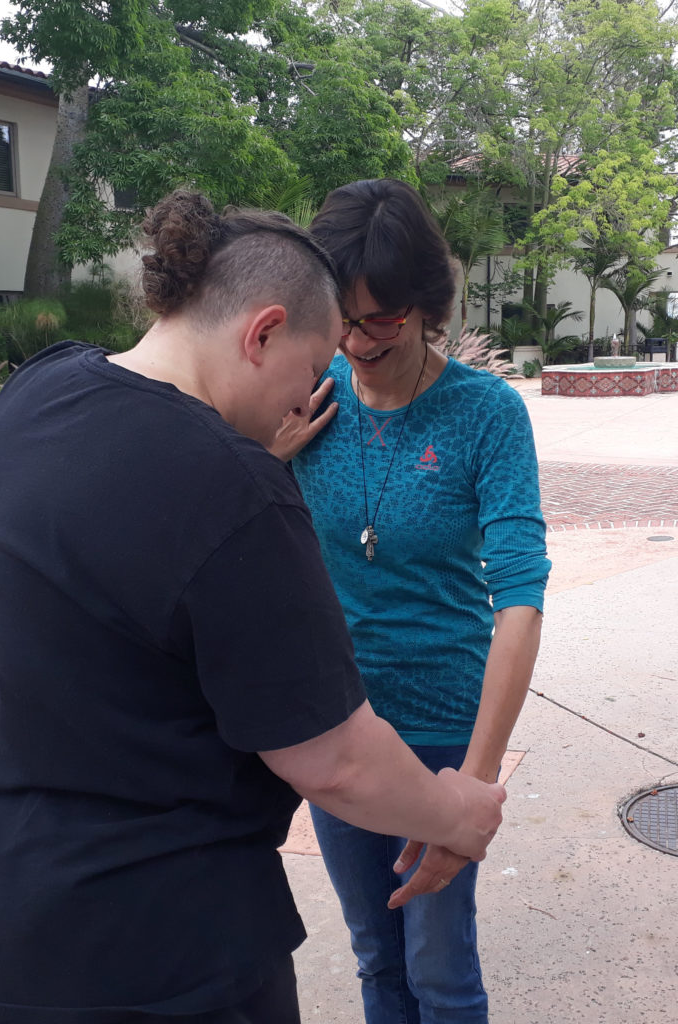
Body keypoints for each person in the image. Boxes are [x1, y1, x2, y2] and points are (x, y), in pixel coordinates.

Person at [0, 189, 506, 1024]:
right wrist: (460, 812)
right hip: (145, 957)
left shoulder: (37, 392)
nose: (307, 404)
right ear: (261, 333)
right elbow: (332, 759)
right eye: (309, 372)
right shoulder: (234, 490)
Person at [272, 178, 551, 1024]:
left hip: (439, 728)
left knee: (440, 970)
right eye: (341, 319)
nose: (356, 343)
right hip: (339, 726)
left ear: (427, 306)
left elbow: (521, 598)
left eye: (381, 320)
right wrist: (263, 453)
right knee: (374, 958)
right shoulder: (305, 397)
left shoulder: (486, 415)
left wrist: (473, 783)